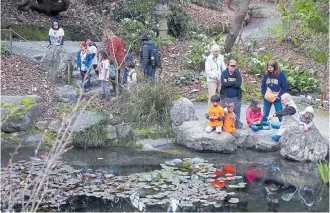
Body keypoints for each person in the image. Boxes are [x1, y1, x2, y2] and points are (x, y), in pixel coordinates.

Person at [220, 59, 243, 129]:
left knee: (236, 112)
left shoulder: (237, 72)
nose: (233, 67)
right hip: (225, 97)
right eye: (231, 65)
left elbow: (239, 84)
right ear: (228, 65)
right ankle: (222, 125)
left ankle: (236, 124)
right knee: (223, 111)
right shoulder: (224, 73)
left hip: (236, 97)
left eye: (234, 66)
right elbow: (224, 84)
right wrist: (234, 83)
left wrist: (228, 83)